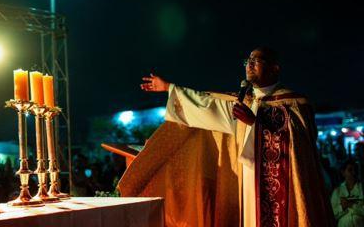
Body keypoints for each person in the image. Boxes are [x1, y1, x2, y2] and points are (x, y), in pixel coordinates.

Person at [139, 46, 334, 227]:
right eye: (248, 60)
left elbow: (301, 144)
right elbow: (207, 104)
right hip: (249, 183)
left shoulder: (294, 103)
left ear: (274, 68)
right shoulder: (244, 101)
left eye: (256, 60)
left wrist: (256, 123)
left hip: (285, 190)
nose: (249, 64)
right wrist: (169, 88)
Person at [331, 159, 364, 227]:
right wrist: (342, 207)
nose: (353, 173)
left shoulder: (362, 189)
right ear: (343, 173)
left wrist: (351, 205)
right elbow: (332, 215)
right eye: (350, 170)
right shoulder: (337, 192)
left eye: (355, 170)